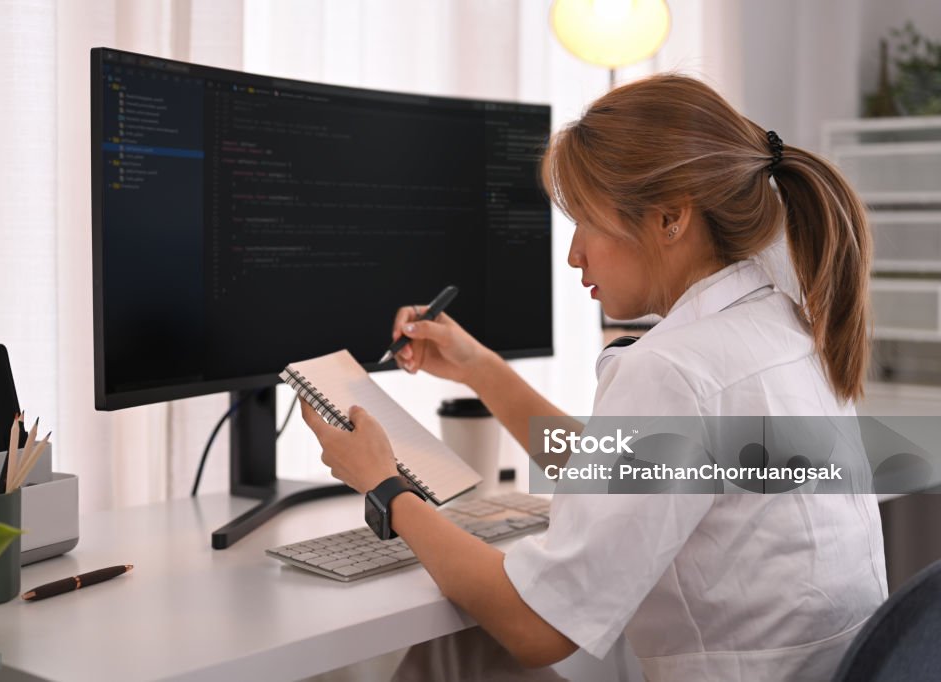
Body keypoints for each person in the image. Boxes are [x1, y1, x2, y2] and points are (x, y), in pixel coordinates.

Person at [299, 74, 887, 681]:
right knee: (454, 652)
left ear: (669, 219)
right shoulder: (780, 324)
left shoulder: (673, 368)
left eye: (585, 221)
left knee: (451, 654)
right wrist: (481, 369)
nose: (574, 254)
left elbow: (538, 628)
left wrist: (387, 488)